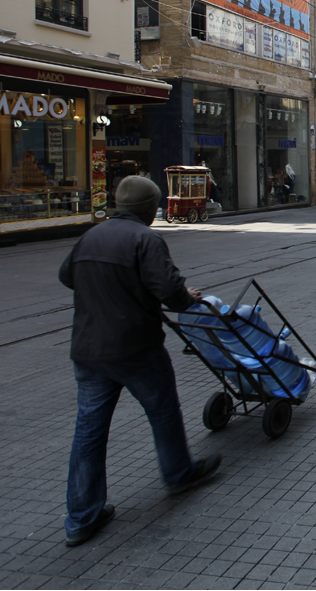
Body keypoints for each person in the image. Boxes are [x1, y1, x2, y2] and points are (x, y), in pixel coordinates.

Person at [58, 176, 221, 547]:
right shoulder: (146, 239)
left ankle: (81, 517)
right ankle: (178, 473)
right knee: (162, 409)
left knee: (89, 431)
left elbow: (68, 276)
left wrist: (106, 290)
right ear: (149, 208)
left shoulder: (91, 236)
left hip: (87, 350)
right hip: (135, 346)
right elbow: (171, 293)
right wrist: (187, 295)